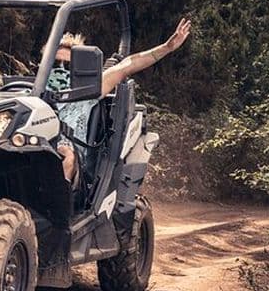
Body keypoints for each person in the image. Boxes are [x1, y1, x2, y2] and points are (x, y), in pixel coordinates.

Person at [50, 19, 192, 184]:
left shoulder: (88, 91)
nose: (60, 70)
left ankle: (55, 205)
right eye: (54, 64)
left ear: (77, 69)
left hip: (71, 157)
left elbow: (127, 65)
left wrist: (166, 48)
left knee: (66, 154)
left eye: (67, 66)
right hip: (35, 149)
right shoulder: (33, 91)